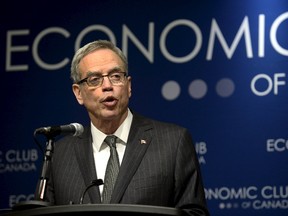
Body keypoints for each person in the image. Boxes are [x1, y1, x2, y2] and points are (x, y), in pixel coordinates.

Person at [43, 39, 210, 216]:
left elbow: (194, 213)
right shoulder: (59, 155)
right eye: (94, 80)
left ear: (128, 86)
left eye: (115, 76)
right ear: (78, 93)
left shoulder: (173, 142)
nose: (107, 86)